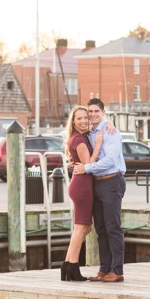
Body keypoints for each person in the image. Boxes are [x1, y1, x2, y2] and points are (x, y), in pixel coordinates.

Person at [73, 98, 126, 282]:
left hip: (112, 181)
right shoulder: (89, 133)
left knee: (113, 227)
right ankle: (104, 269)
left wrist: (86, 169)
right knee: (101, 229)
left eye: (96, 111)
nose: (93, 114)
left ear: (103, 112)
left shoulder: (110, 132)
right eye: (90, 112)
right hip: (96, 183)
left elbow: (111, 160)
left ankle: (117, 271)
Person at [61, 105, 103, 282]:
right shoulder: (78, 139)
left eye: (86, 117)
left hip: (79, 184)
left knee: (84, 227)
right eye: (79, 118)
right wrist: (99, 145)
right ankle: (73, 267)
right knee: (81, 227)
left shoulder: (79, 137)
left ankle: (67, 266)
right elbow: (88, 164)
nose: (84, 121)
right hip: (82, 186)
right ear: (74, 121)